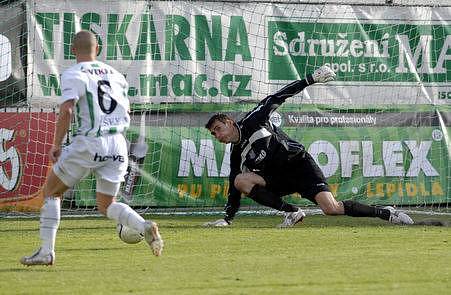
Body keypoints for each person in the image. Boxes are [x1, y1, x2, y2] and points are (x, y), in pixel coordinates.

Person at [203, 65, 414, 228]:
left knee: (331, 209)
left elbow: (276, 97)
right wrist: (227, 219)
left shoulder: (253, 120)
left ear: (230, 122)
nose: (218, 135)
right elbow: (234, 187)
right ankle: (291, 212)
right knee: (240, 180)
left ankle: (386, 213)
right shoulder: (236, 153)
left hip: (299, 165)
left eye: (219, 128)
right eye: (214, 133)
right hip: (278, 178)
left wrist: (310, 80)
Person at [20, 30, 163, 266]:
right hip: (118, 144)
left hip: (89, 141)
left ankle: (46, 252)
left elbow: (66, 110)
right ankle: (143, 225)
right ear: (98, 49)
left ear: (73, 50)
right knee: (106, 205)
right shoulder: (117, 75)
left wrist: (56, 144)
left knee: (51, 192)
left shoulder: (74, 73)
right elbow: (126, 111)